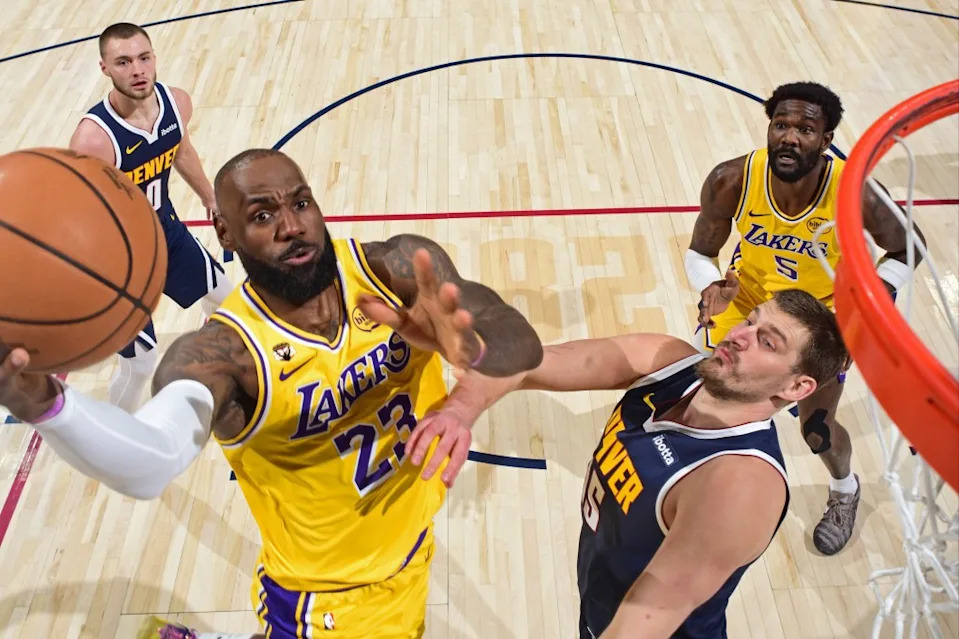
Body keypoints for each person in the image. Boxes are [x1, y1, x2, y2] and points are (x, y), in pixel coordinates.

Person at [0, 149, 543, 639]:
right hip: (326, 600)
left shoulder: (392, 271)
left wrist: (472, 350)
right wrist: (47, 406)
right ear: (224, 232)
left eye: (301, 203)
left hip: (408, 549)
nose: (292, 227)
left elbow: (519, 338)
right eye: (262, 216)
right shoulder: (222, 355)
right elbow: (153, 460)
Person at [397, 289, 850, 638]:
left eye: (766, 342)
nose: (738, 335)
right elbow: (533, 363)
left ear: (796, 389)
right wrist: (464, 382)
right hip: (602, 601)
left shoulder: (739, 485)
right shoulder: (667, 362)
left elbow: (646, 619)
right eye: (750, 321)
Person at [683, 81, 925, 555]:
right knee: (709, 395)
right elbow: (699, 251)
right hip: (749, 301)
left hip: (822, 319)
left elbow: (908, 247)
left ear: (826, 139)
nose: (790, 137)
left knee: (815, 432)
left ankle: (845, 491)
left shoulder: (855, 193)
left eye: (806, 129)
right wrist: (710, 283)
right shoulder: (730, 179)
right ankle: (702, 486)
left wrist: (875, 292)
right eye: (782, 125)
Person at [69, 22, 233, 412]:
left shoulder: (176, 103)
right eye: (123, 62)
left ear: (155, 58)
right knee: (141, 364)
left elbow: (182, 152)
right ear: (105, 68)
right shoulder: (94, 140)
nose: (137, 70)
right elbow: (78, 216)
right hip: (121, 264)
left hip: (168, 235)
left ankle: (207, 364)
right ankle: (117, 433)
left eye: (144, 58)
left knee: (229, 305)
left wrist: (213, 200)